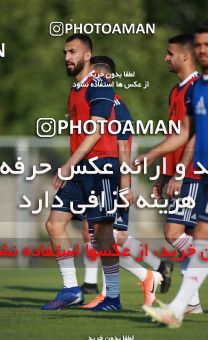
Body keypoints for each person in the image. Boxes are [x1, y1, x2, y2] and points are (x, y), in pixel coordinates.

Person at [138, 19, 208, 327]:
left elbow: (194, 137)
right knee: (192, 236)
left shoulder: (207, 86)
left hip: (203, 174)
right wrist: (161, 170)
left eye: (169, 52)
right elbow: (180, 134)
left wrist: (178, 173)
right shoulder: (185, 91)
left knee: (178, 234)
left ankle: (207, 287)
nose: (166, 57)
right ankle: (188, 305)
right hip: (192, 173)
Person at [81, 56, 169, 309]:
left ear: (102, 76)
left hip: (113, 179)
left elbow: (123, 152)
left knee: (107, 236)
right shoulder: (97, 104)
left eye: (92, 76)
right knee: (103, 237)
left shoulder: (116, 108)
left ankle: (146, 275)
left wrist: (125, 187)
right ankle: (132, 282)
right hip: (98, 178)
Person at [41, 34, 122, 311]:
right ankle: (71, 290)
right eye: (65, 52)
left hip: (100, 167)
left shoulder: (98, 84)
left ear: (87, 56)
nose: (67, 57)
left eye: (73, 52)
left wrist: (67, 165)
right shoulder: (75, 89)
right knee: (54, 224)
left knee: (101, 234)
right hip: (80, 167)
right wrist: (72, 166)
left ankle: (112, 297)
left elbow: (97, 130)